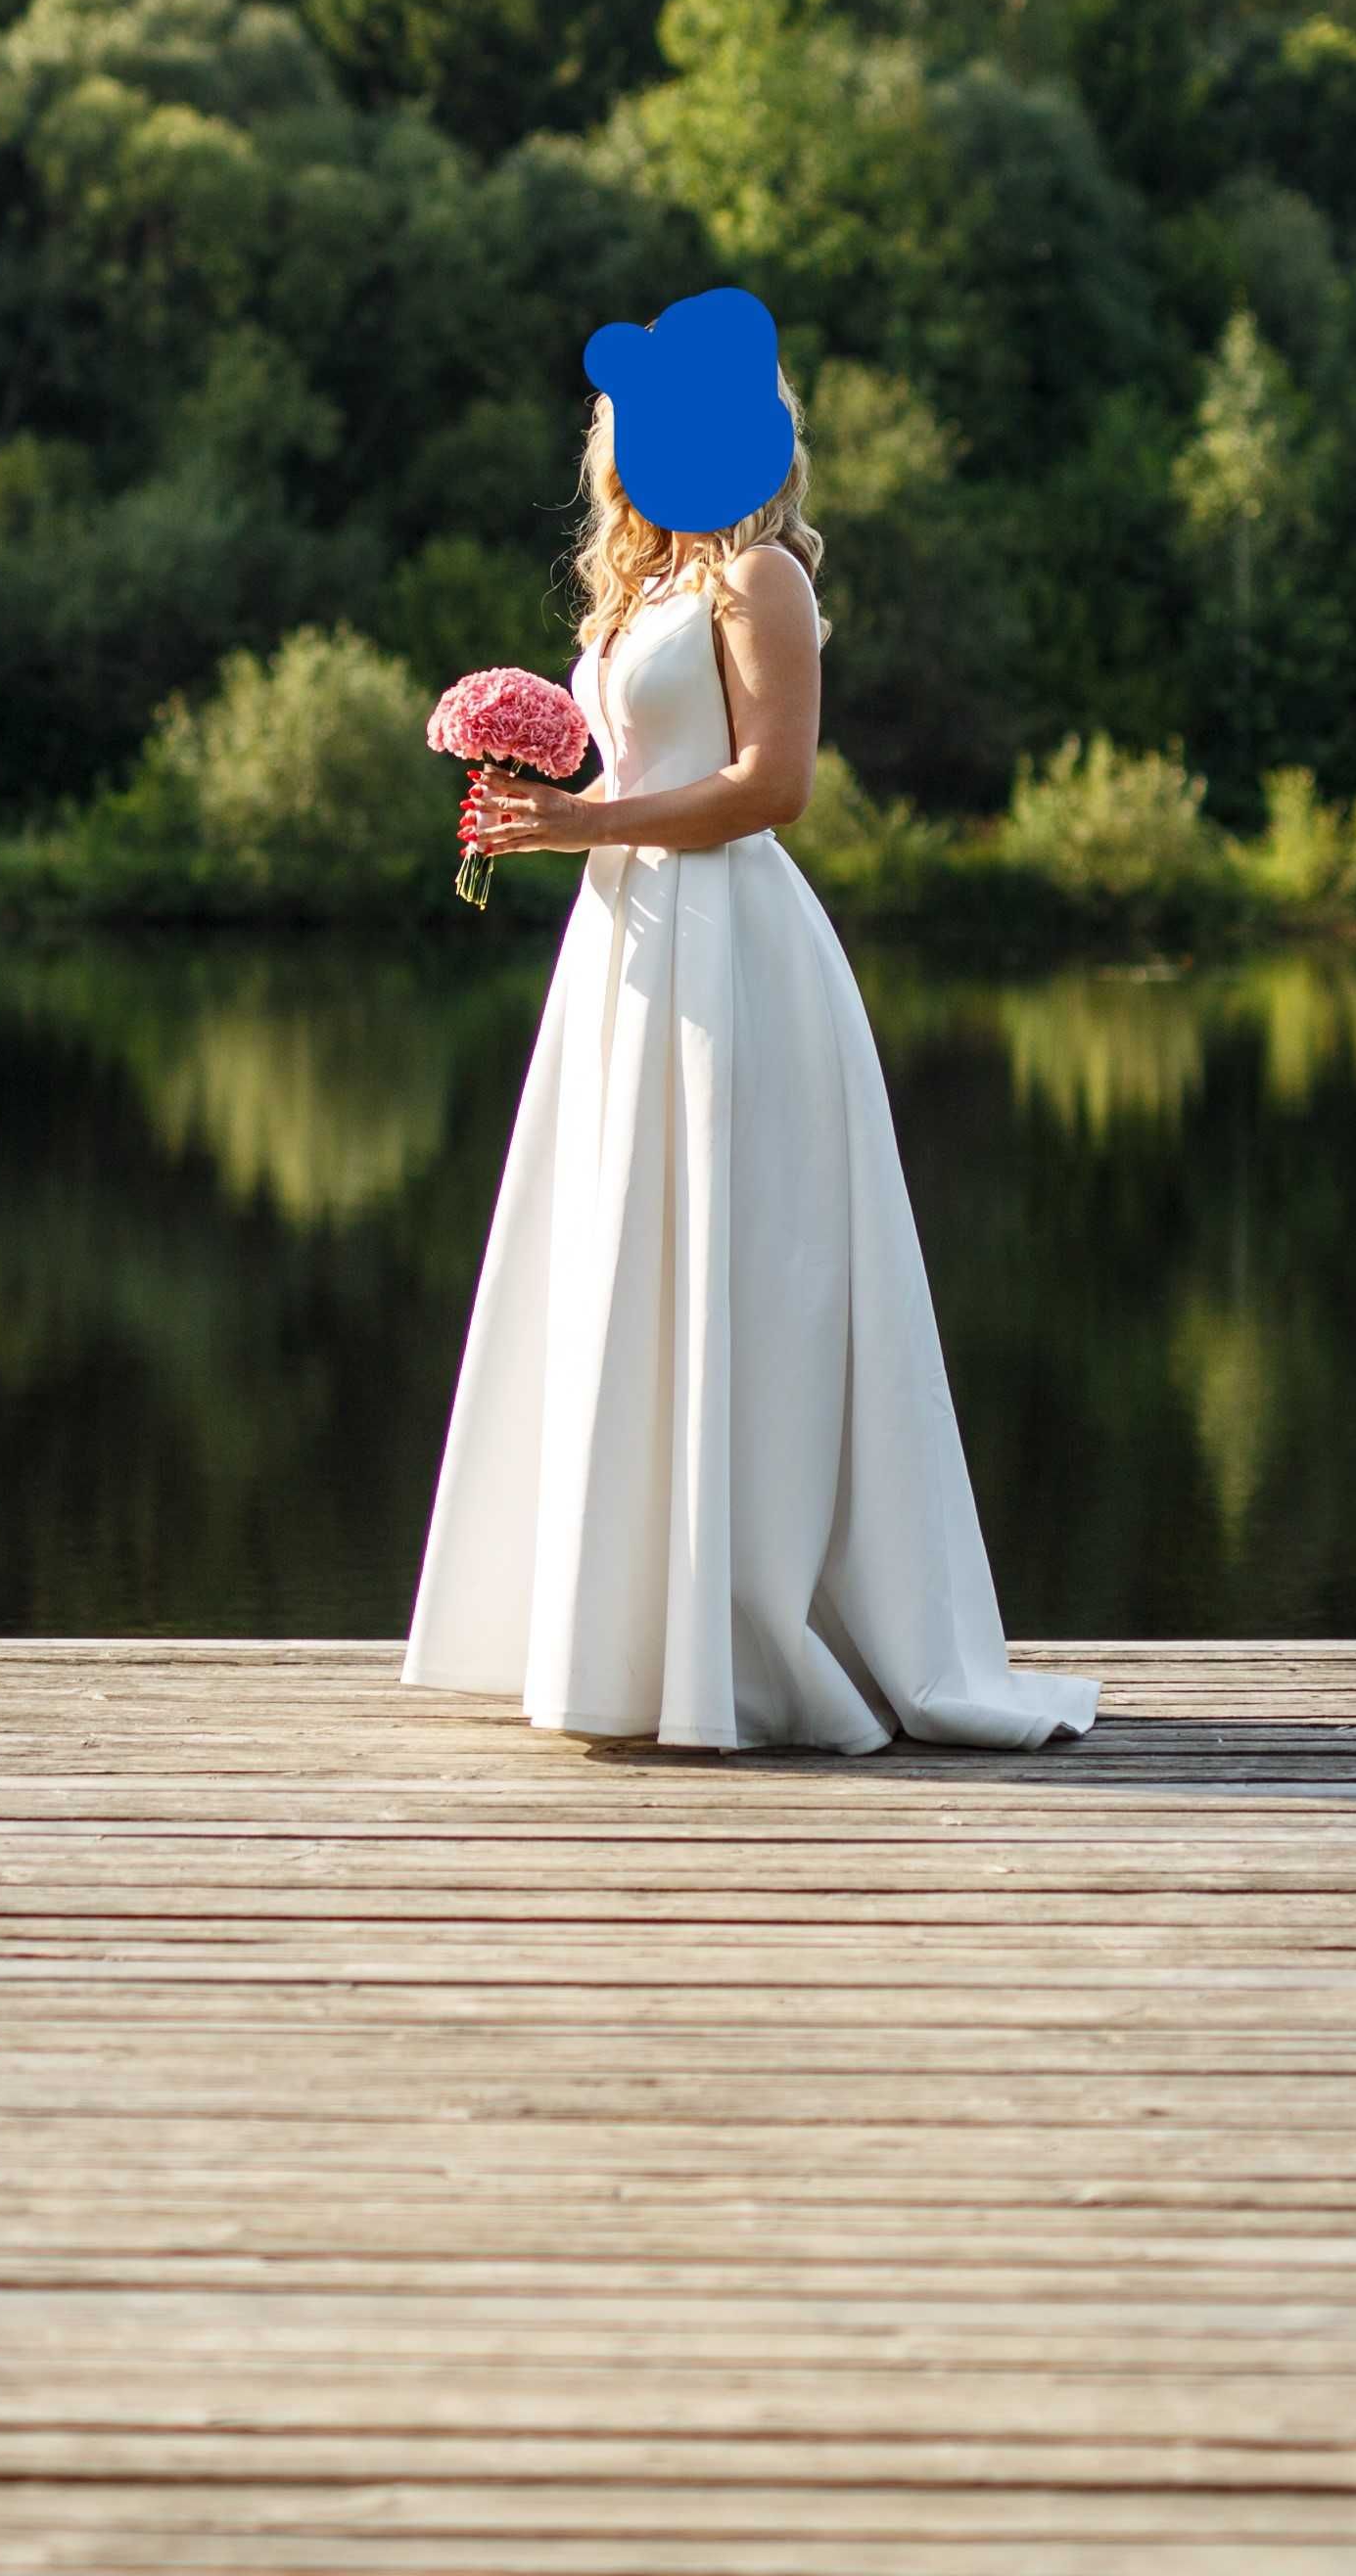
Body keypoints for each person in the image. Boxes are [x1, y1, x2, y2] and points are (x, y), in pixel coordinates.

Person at [402, 290, 1095, 1752]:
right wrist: (551, 808)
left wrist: (585, 819)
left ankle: (756, 1633)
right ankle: (630, 1637)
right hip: (630, 950)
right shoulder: (636, 595)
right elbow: (654, 757)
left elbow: (774, 790)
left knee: (744, 1268)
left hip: (733, 948)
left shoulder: (762, 580)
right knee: (625, 1258)